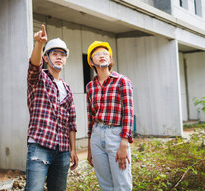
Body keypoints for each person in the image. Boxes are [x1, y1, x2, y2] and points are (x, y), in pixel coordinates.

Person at [25, 24, 78, 191]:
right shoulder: (39, 79)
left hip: (62, 150)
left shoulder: (67, 88)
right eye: (54, 54)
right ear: (46, 58)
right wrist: (39, 44)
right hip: (40, 145)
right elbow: (34, 65)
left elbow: (72, 122)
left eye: (62, 55)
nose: (59, 57)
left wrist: (73, 150)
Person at [86, 41, 134, 191]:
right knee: (105, 185)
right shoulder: (90, 86)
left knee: (122, 183)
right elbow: (90, 117)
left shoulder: (122, 81)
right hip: (96, 136)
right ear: (91, 61)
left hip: (116, 135)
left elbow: (128, 112)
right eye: (97, 54)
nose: (102, 56)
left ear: (110, 59)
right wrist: (89, 147)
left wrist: (124, 144)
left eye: (105, 53)